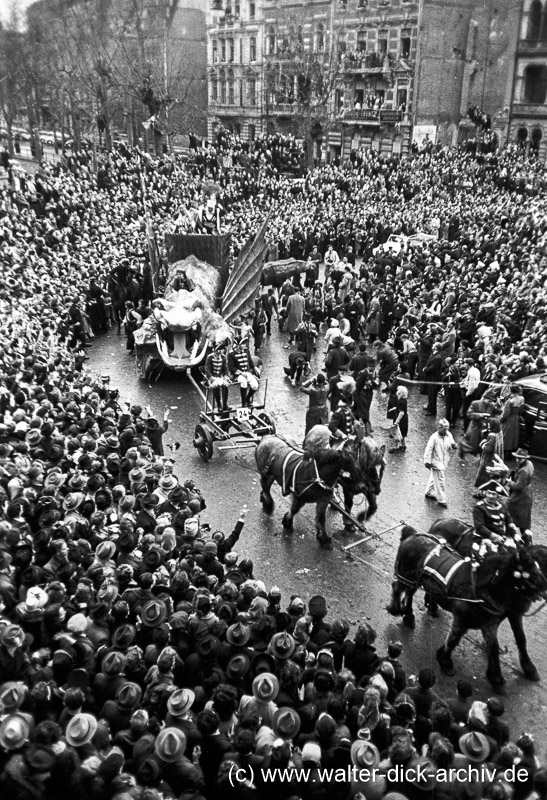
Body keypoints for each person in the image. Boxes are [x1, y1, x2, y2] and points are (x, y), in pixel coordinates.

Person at [472, 481, 521, 551]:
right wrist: (494, 536)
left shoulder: (501, 505)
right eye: (489, 493)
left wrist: (512, 527)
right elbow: (480, 527)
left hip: (501, 536)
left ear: (498, 495)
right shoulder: (479, 507)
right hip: (484, 537)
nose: (490, 496)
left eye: (493, 494)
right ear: (486, 493)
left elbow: (507, 517)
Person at [423, 418, 457, 507]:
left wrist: (454, 445)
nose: (446, 430)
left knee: (434, 477)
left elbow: (452, 443)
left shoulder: (448, 434)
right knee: (440, 479)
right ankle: (441, 500)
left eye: (447, 428)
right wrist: (427, 461)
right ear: (439, 428)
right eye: (444, 429)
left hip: (443, 461)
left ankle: (429, 492)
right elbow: (428, 450)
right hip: (435, 462)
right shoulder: (434, 437)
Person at [506, 448, 535, 536]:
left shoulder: (523, 471)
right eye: (517, 458)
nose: (517, 460)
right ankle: (526, 539)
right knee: (524, 521)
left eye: (520, 458)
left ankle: (510, 536)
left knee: (510, 516)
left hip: (519, 498)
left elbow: (519, 486)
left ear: (525, 458)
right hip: (527, 496)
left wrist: (509, 482)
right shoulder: (529, 463)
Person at [473, 417, 504, 493]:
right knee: (493, 478)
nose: (488, 426)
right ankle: (490, 493)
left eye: (490, 424)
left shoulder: (492, 435)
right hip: (496, 458)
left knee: (484, 478)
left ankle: (483, 493)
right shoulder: (500, 433)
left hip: (488, 460)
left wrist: (483, 440)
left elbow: (487, 449)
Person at [228, 336, 260, 407]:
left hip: (247, 372)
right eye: (243, 344)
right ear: (238, 345)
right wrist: (241, 373)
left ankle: (247, 398)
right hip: (238, 374)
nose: (244, 345)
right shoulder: (231, 354)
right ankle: (243, 403)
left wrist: (254, 368)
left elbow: (250, 362)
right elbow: (231, 368)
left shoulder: (246, 351)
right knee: (244, 382)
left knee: (255, 385)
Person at [204, 342, 230, 412]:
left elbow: (226, 369)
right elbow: (207, 370)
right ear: (218, 350)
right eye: (222, 349)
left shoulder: (223, 357)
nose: (223, 351)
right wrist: (212, 378)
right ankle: (219, 405)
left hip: (220, 377)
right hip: (212, 378)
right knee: (216, 386)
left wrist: (225, 376)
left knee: (225, 386)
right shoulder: (210, 357)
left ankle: (225, 405)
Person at [501, 385, 524, 460]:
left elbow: (506, 414)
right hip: (516, 418)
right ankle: (511, 453)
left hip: (509, 419)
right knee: (514, 436)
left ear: (511, 391)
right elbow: (521, 409)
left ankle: (505, 454)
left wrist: (501, 420)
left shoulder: (510, 401)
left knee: (506, 436)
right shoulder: (521, 399)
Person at [389, 385, 409, 453]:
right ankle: (403, 445)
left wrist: (397, 422)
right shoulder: (404, 400)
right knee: (403, 433)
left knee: (397, 432)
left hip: (400, 419)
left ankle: (396, 447)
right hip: (405, 419)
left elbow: (401, 412)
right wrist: (394, 408)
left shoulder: (400, 401)